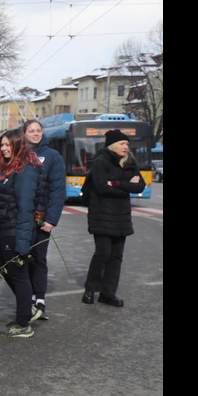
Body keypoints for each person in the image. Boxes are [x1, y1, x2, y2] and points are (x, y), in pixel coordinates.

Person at [82, 130, 145, 307]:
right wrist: (127, 186)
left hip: (121, 216)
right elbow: (102, 187)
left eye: (127, 144)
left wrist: (116, 183)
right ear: (112, 145)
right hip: (101, 215)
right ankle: (90, 289)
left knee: (117, 256)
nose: (126, 147)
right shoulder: (101, 161)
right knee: (103, 253)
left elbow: (140, 185)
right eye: (122, 143)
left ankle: (108, 293)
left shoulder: (130, 162)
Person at [0, 129, 42, 337]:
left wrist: (22, 242)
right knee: (7, 270)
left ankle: (22, 324)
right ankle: (26, 309)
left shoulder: (25, 172)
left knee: (19, 277)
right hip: (5, 231)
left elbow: (26, 208)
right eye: (1, 145)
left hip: (14, 232)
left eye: (7, 145)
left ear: (18, 146)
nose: (3, 149)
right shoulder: (10, 168)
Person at [23, 119, 65, 319]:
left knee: (39, 258)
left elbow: (58, 190)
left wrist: (51, 219)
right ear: (24, 134)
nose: (35, 134)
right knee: (22, 258)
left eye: (38, 130)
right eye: (31, 131)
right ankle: (26, 298)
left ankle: (39, 299)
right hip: (21, 218)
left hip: (41, 219)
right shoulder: (18, 154)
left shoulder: (52, 156)